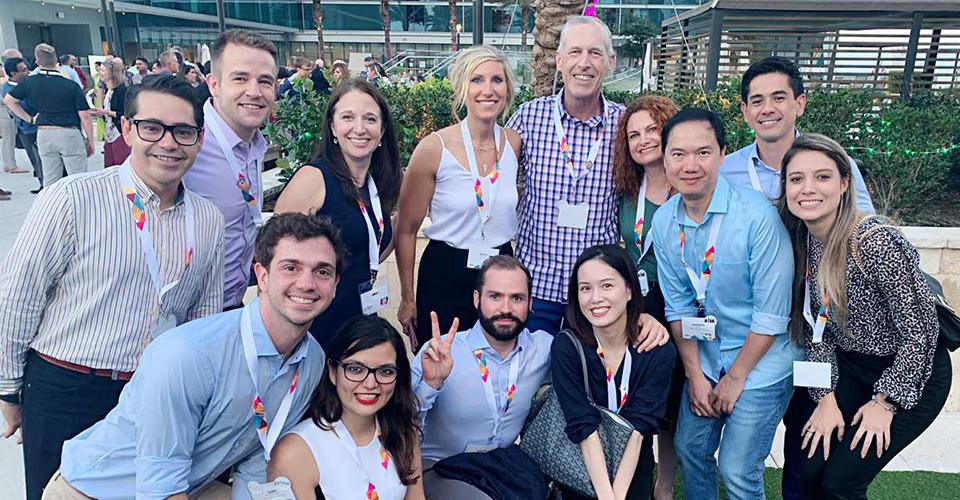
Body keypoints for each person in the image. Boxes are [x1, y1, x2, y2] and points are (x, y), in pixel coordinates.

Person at [0, 74, 225, 500]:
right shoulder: (72, 198)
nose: (168, 143)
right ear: (126, 129)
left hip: (153, 397)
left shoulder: (208, 219)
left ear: (198, 138)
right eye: (152, 127)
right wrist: (9, 388)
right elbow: (18, 296)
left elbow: (204, 320)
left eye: (184, 132)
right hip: (67, 389)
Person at [48, 213, 339, 499]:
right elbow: (159, 488)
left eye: (322, 271)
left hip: (187, 486)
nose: (307, 283)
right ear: (262, 276)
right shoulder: (187, 355)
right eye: (291, 267)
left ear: (335, 284)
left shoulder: (311, 360)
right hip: (94, 492)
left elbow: (258, 461)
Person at [719, 56, 876, 500]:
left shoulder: (829, 164)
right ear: (745, 111)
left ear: (800, 103)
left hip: (820, 329)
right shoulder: (726, 171)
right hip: (760, 331)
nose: (768, 109)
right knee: (754, 445)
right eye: (757, 101)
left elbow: (860, 233)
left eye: (779, 98)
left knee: (808, 453)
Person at [777, 134, 951, 500]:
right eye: (796, 179)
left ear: (844, 184)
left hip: (912, 372)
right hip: (851, 364)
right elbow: (817, 329)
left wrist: (884, 403)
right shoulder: (805, 237)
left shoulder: (874, 241)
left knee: (841, 482)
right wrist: (825, 399)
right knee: (808, 466)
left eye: (822, 177)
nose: (808, 189)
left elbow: (921, 331)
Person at [649, 108, 795, 500]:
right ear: (664, 159)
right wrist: (696, 375)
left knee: (737, 468)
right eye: (678, 154)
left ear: (722, 154)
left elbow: (772, 314)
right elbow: (678, 307)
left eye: (703, 152)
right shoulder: (664, 222)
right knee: (690, 449)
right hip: (707, 359)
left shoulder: (757, 217)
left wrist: (736, 376)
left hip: (761, 362)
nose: (690, 165)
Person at [396, 46, 522, 349]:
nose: (488, 90)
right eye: (477, 80)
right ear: (462, 88)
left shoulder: (514, 144)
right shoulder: (433, 148)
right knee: (441, 366)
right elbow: (406, 229)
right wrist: (407, 297)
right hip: (446, 271)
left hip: (499, 268)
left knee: (497, 361)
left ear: (508, 89)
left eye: (497, 80)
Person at [505, 16, 624, 334]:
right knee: (527, 383)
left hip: (595, 297)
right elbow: (491, 175)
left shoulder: (625, 125)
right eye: (574, 52)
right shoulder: (529, 117)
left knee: (587, 383)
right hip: (535, 291)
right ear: (559, 60)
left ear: (610, 62)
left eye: (595, 53)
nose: (583, 63)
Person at [274, 78, 401, 349]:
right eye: (347, 117)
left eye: (370, 119)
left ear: (382, 130)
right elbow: (274, 254)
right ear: (332, 126)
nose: (359, 128)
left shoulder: (376, 185)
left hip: (360, 317)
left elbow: (373, 243)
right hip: (316, 323)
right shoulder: (314, 178)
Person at [411, 255, 552, 499]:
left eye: (516, 298)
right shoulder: (440, 352)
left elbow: (596, 342)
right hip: (441, 468)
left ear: (530, 303)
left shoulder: (543, 349)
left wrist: (641, 319)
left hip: (499, 469)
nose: (506, 309)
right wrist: (429, 385)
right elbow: (403, 425)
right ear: (477, 299)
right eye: (495, 296)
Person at [552, 245, 677, 499]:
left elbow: (639, 428)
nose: (595, 298)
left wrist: (615, 496)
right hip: (579, 468)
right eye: (585, 288)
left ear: (630, 289)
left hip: (632, 469)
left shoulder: (657, 352)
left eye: (607, 286)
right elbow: (583, 427)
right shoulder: (567, 347)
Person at [612, 95, 686, 500]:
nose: (642, 140)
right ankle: (633, 473)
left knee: (673, 399)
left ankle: (665, 483)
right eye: (633, 134)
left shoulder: (691, 183)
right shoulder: (629, 188)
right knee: (639, 392)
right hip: (638, 303)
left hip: (683, 303)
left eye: (651, 130)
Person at [268, 315, 425, 499]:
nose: (370, 383)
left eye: (385, 371)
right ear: (333, 372)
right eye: (356, 369)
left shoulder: (403, 432)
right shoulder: (296, 451)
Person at [183, 29, 278, 311]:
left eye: (265, 81)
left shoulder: (253, 145)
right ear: (214, 84)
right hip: (188, 317)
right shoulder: (188, 145)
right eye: (240, 78)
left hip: (231, 305)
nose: (254, 91)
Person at [5, 43, 94, 187]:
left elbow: (9, 100)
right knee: (77, 180)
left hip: (44, 132)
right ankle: (79, 207)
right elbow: (85, 115)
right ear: (56, 61)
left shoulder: (30, 82)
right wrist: (90, 140)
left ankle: (52, 208)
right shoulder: (71, 85)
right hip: (69, 132)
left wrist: (29, 119)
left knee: (51, 180)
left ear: (37, 61)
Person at [2, 57, 42, 193]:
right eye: (23, 70)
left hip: (40, 126)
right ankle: (43, 183)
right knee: (35, 158)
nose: (27, 71)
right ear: (13, 73)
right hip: (26, 127)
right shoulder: (8, 89)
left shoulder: (30, 82)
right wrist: (30, 119)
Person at [91, 58, 131, 168]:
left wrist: (106, 112)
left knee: (120, 165)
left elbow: (125, 113)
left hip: (119, 133)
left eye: (103, 70)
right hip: (110, 133)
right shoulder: (109, 90)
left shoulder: (122, 91)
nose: (100, 73)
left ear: (111, 73)